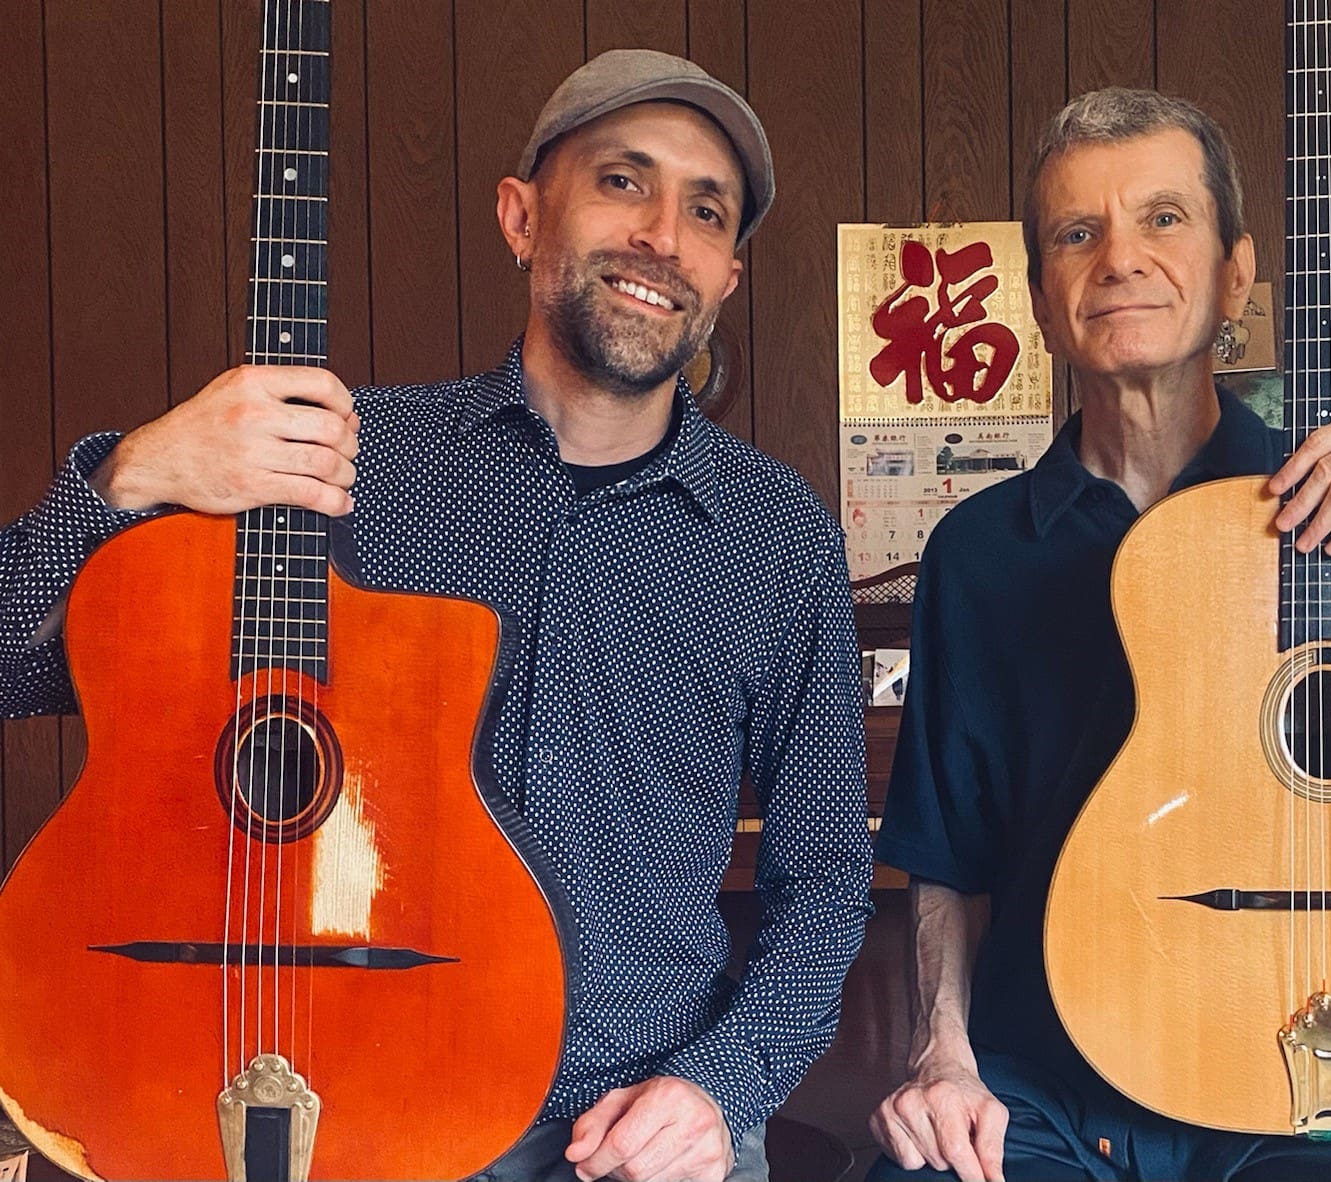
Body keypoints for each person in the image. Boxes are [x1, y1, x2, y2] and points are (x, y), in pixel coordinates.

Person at [0, 50, 873, 1182]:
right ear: (521, 217)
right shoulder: (339, 462)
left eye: (705, 211)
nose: (663, 232)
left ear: (726, 276)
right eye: (622, 180)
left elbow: (823, 876)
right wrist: (132, 475)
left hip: (640, 1131)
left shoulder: (775, 536)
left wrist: (724, 1088)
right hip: (355, 1111)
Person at [866, 87, 1331, 1182]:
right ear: (1038, 296)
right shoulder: (979, 552)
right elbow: (947, 858)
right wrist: (943, 1055)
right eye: (1078, 232)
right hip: (1048, 1081)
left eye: (1163, 219)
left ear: (1236, 275)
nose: (1119, 258)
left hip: (1317, 1069)